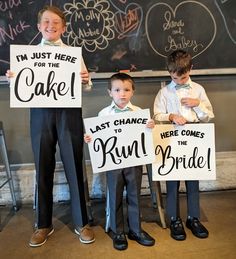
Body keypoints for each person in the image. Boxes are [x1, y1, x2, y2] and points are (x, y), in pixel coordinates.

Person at [6, 5, 95, 247]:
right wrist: (14, 78)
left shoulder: (73, 53)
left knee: (75, 165)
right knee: (42, 166)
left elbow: (85, 87)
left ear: (63, 27)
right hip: (41, 115)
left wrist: (86, 80)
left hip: (69, 114)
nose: (50, 26)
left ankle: (81, 222)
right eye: (46, 22)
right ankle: (43, 224)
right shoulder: (28, 54)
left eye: (56, 23)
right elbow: (23, 88)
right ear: (38, 26)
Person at [84, 73, 155, 250]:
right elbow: (98, 136)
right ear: (110, 92)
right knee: (114, 196)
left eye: (126, 90)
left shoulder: (139, 113)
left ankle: (136, 230)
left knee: (134, 195)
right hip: (113, 163)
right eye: (117, 90)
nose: (122, 94)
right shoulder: (104, 113)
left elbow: (147, 137)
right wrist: (90, 138)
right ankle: (118, 231)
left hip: (134, 162)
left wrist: (150, 127)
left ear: (132, 92)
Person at [153, 49, 214, 241]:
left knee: (193, 180)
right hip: (171, 139)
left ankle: (193, 218)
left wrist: (197, 104)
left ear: (191, 69)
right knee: (172, 181)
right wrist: (170, 116)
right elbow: (156, 115)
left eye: (184, 77)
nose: (179, 81)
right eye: (175, 78)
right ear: (169, 72)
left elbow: (208, 116)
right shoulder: (164, 92)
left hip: (194, 138)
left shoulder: (199, 90)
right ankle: (174, 219)